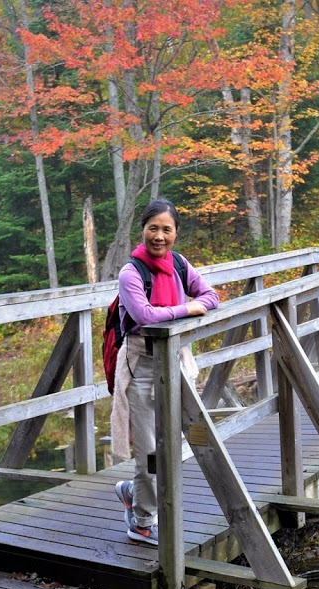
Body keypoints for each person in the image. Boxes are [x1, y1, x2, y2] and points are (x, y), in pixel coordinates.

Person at [112, 198, 219, 545]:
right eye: (153, 228)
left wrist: (194, 304)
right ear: (142, 229)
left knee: (170, 449)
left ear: (176, 232)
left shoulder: (179, 265)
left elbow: (212, 296)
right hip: (141, 366)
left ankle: (133, 491)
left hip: (174, 364)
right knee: (150, 454)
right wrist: (188, 308)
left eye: (166, 229)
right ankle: (141, 523)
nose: (159, 236)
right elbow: (144, 316)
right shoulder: (131, 273)